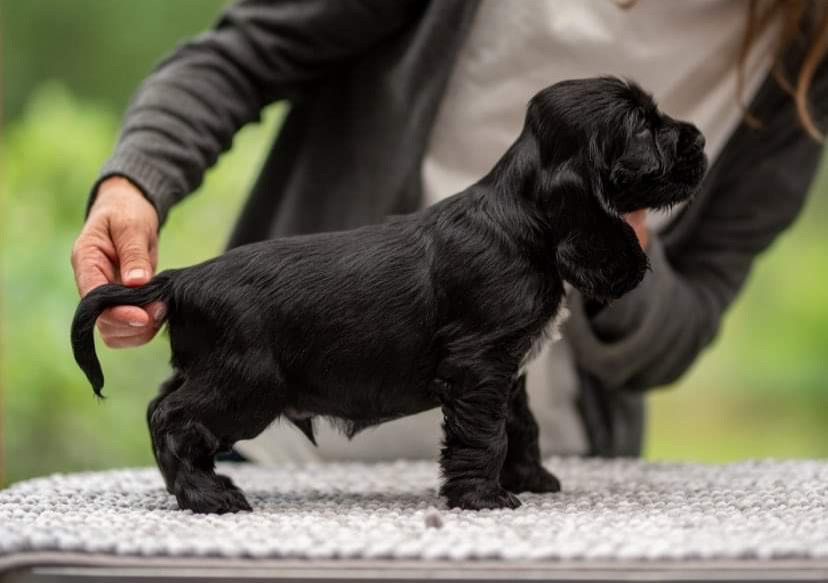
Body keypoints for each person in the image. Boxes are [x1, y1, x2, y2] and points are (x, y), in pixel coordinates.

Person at [72, 0, 827, 463]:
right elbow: (241, 53)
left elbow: (694, 313)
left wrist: (610, 255)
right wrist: (135, 179)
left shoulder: (808, 61)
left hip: (555, 487)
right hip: (287, 441)